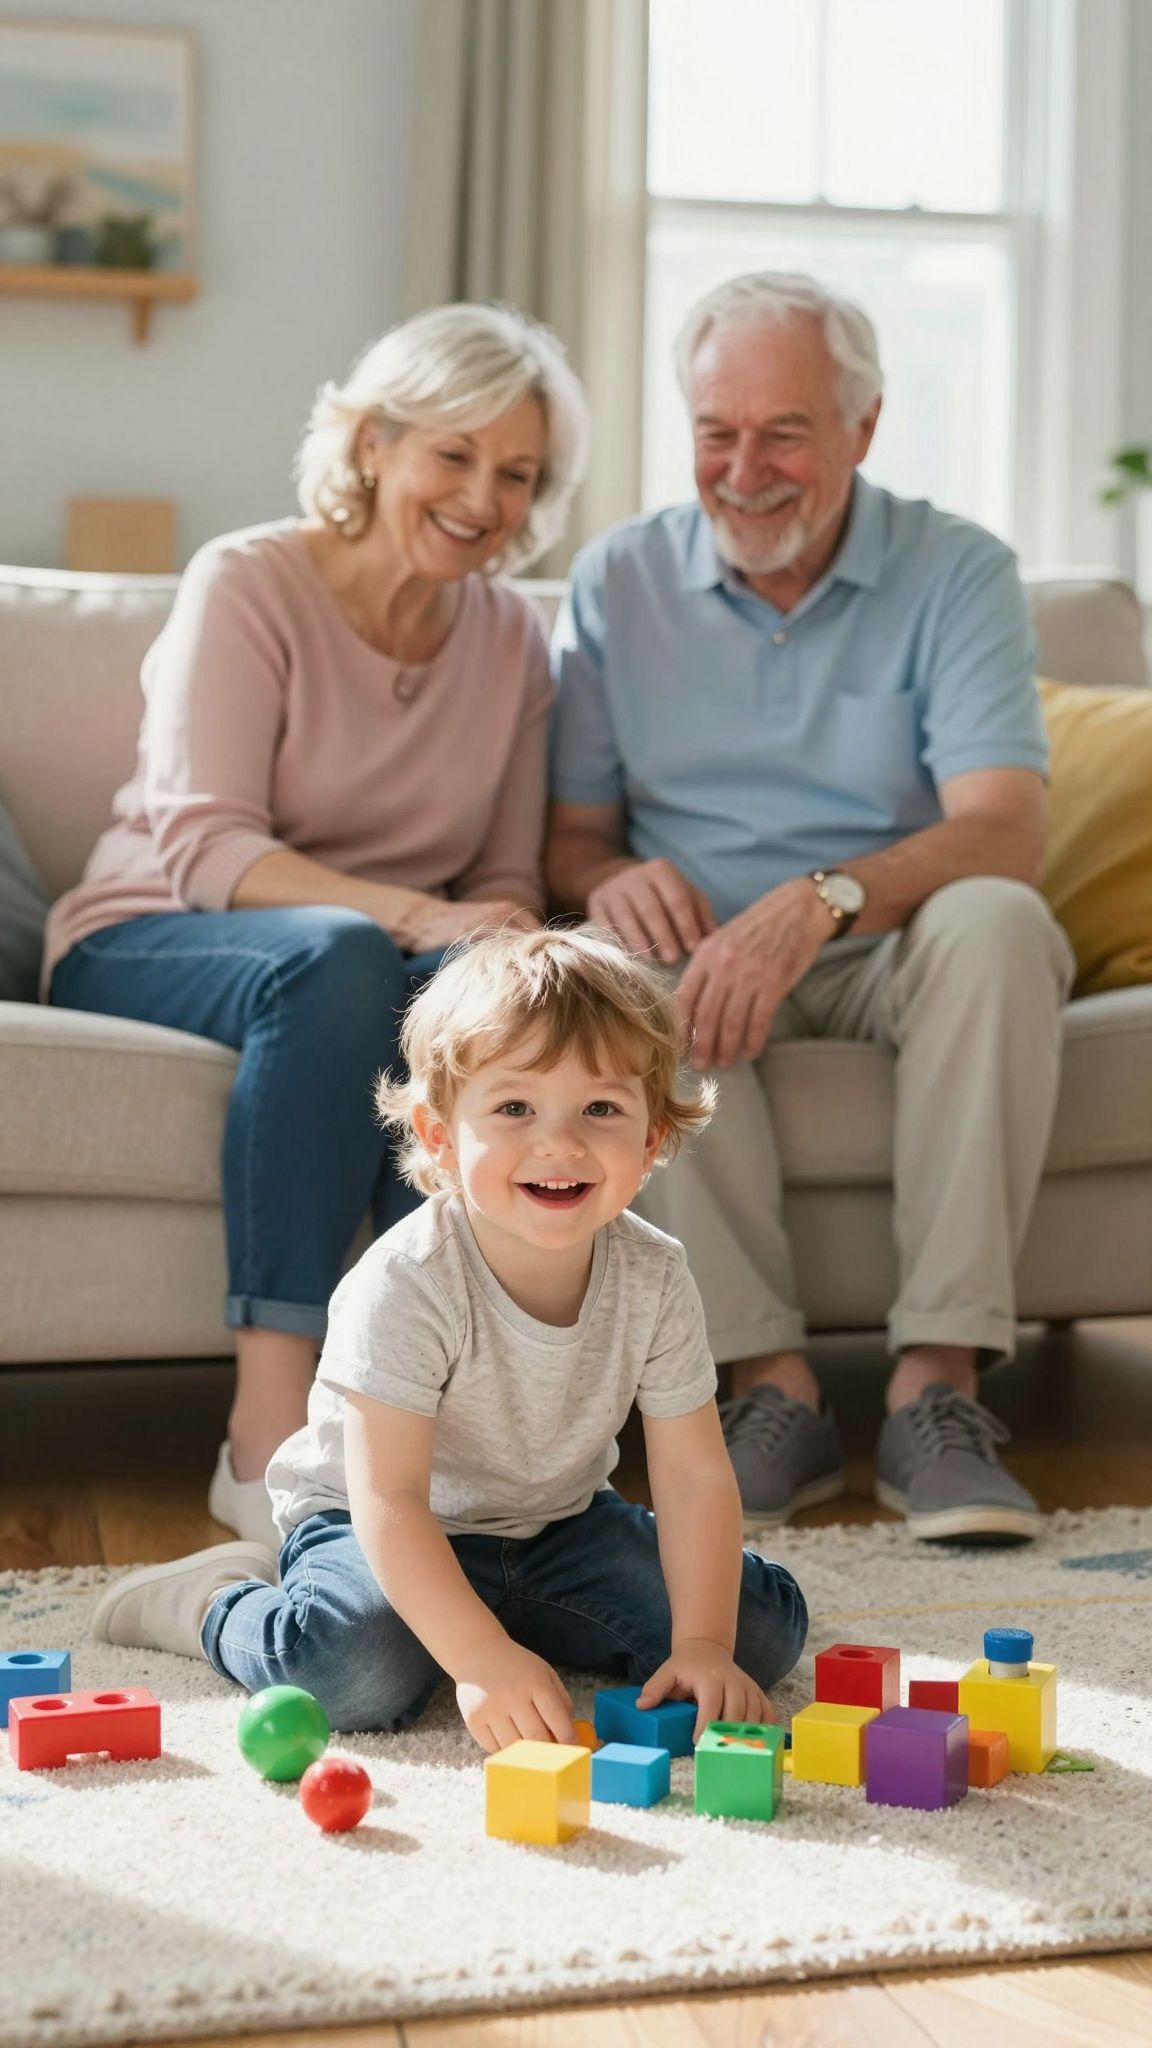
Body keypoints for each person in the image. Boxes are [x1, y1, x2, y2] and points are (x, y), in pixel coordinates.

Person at [44, 302, 590, 1550]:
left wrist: (476, 942)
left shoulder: (512, 635)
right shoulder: (250, 579)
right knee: (345, 958)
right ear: (371, 445)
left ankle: (420, 1426)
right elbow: (206, 842)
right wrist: (413, 913)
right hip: (160, 931)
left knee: (483, 1001)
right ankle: (265, 1433)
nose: (483, 497)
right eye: (453, 455)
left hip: (377, 959)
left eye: (517, 474)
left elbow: (501, 875)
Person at [547, 271, 1075, 1544]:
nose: (745, 468)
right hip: (697, 955)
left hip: (890, 936)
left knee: (1002, 918)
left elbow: (1005, 822)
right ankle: (766, 1388)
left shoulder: (957, 569)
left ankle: (935, 1389)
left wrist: (822, 900)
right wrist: (606, 874)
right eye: (716, 433)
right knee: (623, 968)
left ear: (864, 427)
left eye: (784, 431)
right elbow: (570, 838)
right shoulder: (619, 579)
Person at [92, 929, 808, 1746]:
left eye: (601, 1109)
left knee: (764, 1630)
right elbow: (388, 1499)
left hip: (558, 1527)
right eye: (514, 1109)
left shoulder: (657, 1273)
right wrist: (477, 1660)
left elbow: (690, 1479)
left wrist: (704, 1646)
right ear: (440, 1136)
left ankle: (519, 1624)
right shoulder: (408, 1279)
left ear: (649, 1140)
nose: (560, 1143)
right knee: (351, 1670)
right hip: (379, 1524)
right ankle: (216, 1601)